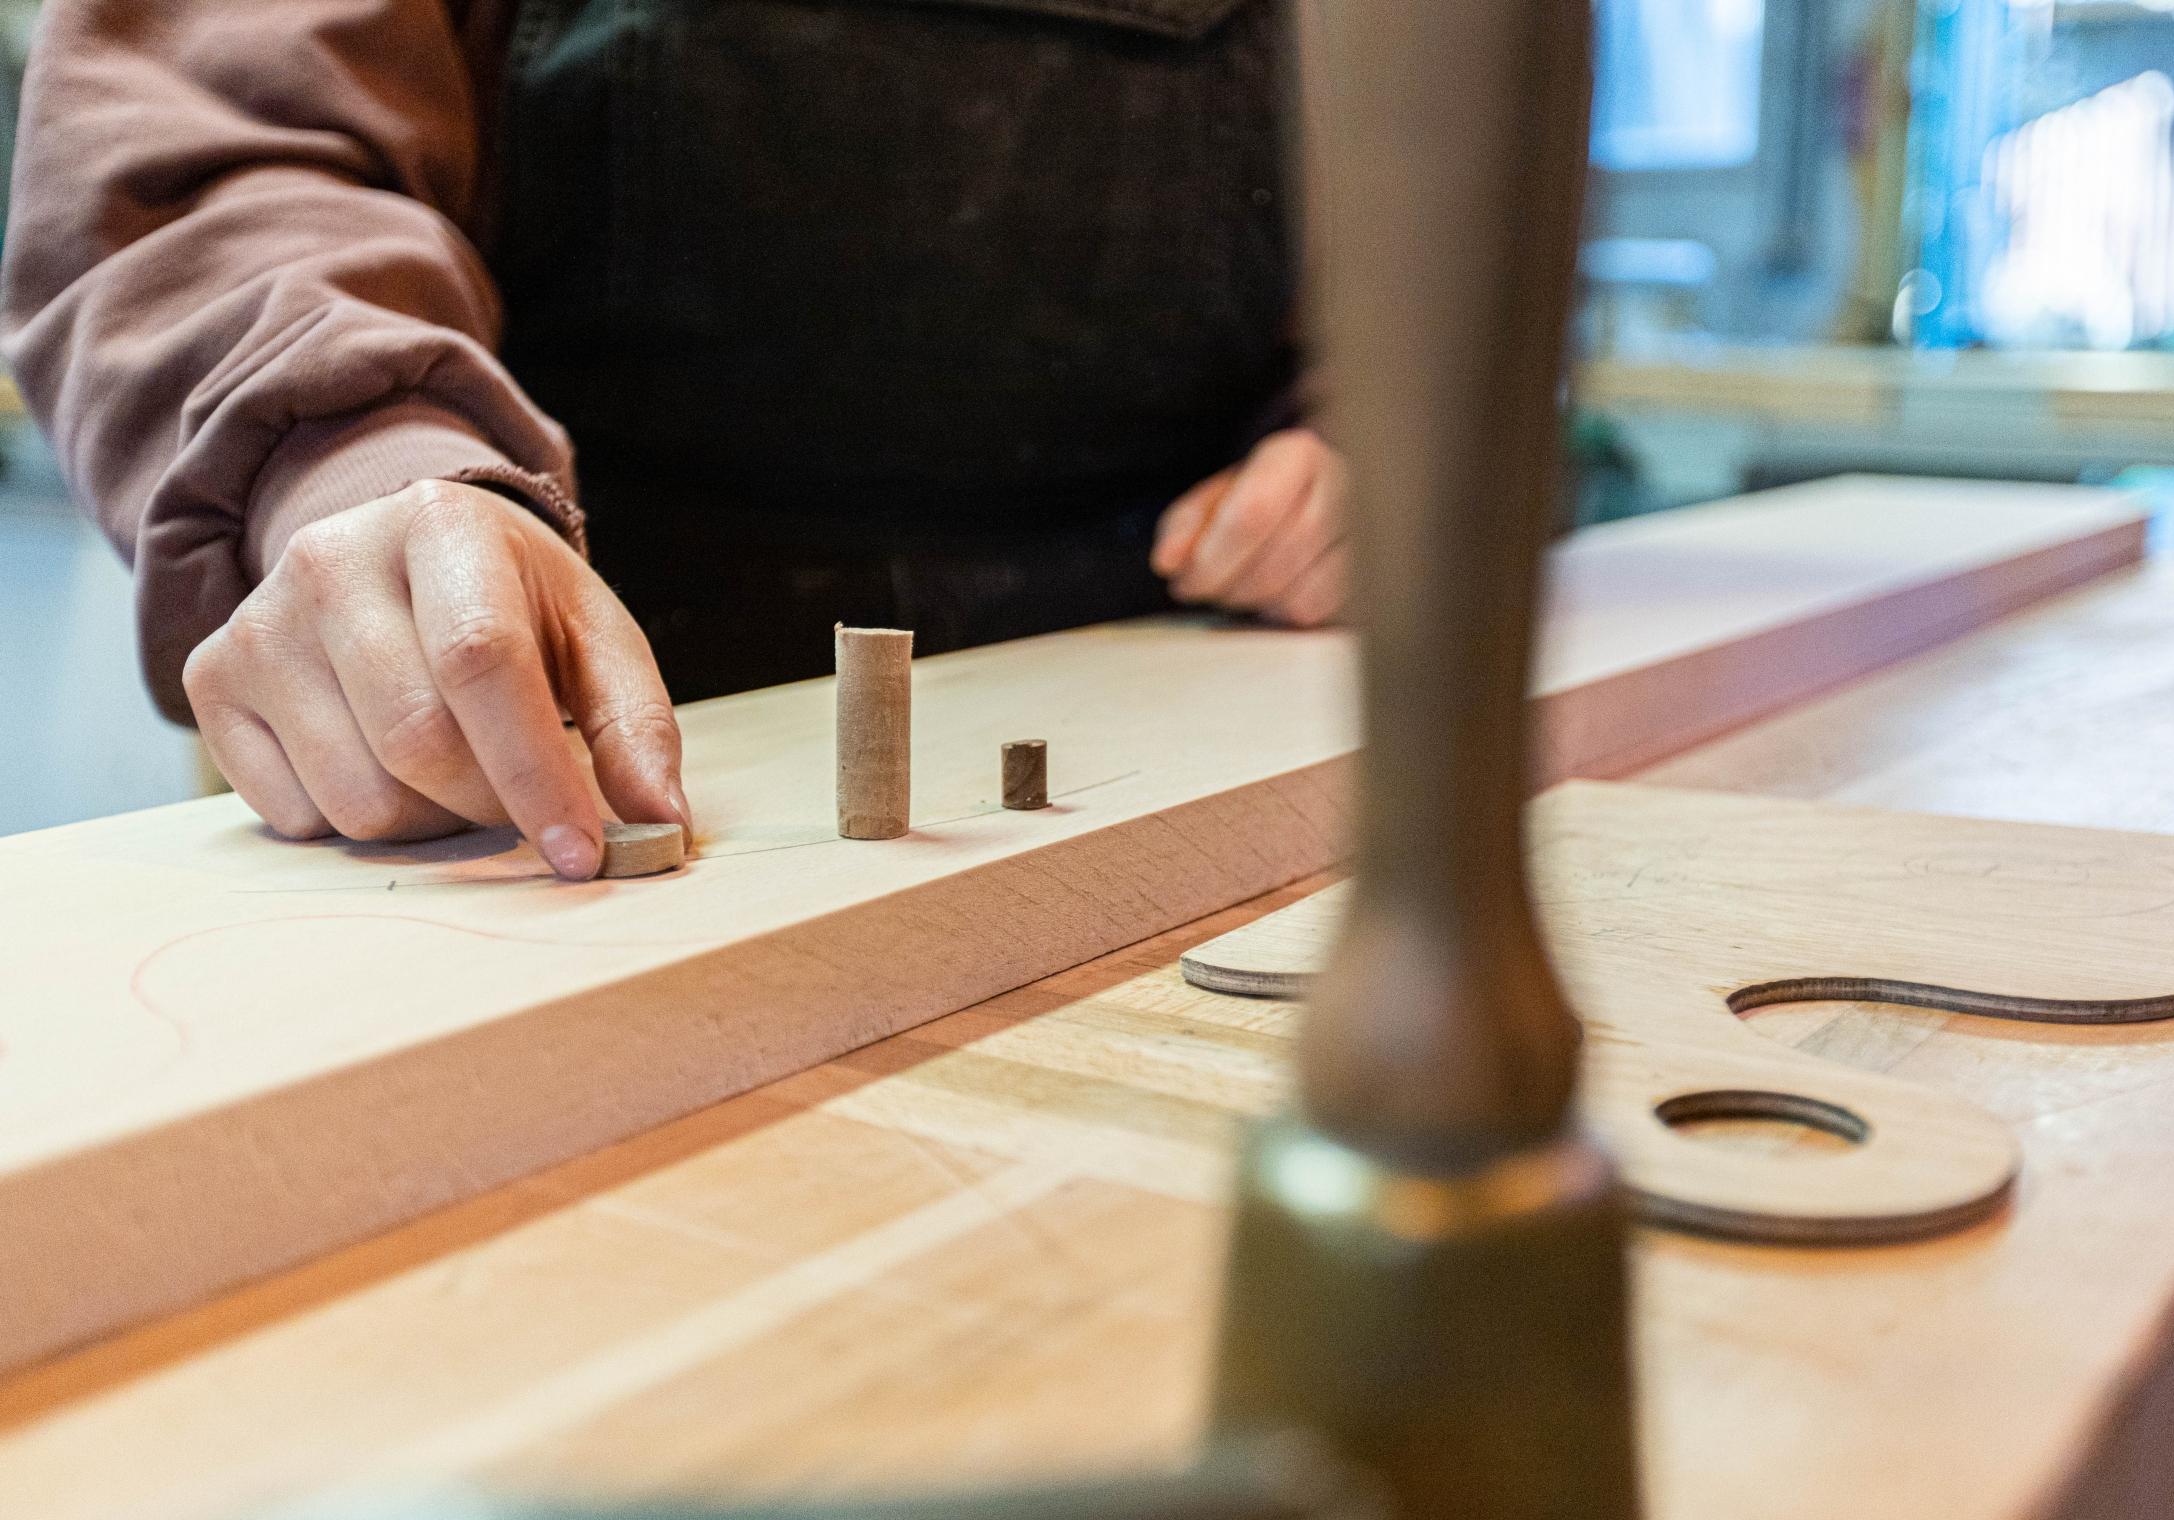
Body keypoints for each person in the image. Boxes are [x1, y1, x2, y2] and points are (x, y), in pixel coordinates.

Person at [1, 0, 1346, 879]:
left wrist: (1379, 429)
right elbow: (226, 147)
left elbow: (1446, 197)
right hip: (541, 758)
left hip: (1186, 718)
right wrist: (353, 443)